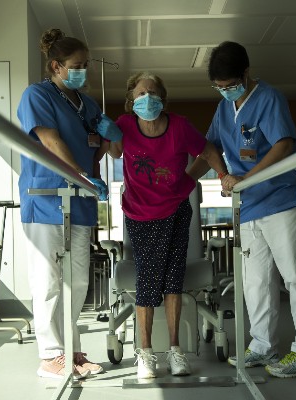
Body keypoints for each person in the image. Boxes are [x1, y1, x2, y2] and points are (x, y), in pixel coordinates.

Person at [189, 41, 296, 378]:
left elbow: (284, 143)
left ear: (246, 74)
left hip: (281, 199)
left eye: (230, 85)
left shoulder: (269, 97)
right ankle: (263, 345)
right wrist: (179, 185)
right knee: (255, 281)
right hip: (248, 205)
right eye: (218, 87)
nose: (224, 92)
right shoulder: (223, 111)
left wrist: (246, 178)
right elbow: (210, 149)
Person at [106, 72, 229, 379]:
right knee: (148, 281)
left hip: (175, 210)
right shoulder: (124, 125)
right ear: (132, 100)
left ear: (162, 98)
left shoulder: (179, 126)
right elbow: (115, 151)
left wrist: (224, 176)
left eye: (152, 93)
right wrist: (100, 133)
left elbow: (210, 151)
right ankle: (145, 352)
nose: (146, 99)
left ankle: (176, 350)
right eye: (140, 94)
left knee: (174, 278)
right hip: (140, 215)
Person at [17, 28, 120, 380]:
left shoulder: (88, 104)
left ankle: (72, 352)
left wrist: (109, 138)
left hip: (80, 202)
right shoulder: (37, 95)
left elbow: (104, 148)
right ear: (56, 66)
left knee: (76, 282)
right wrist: (79, 173)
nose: (83, 71)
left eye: (86, 65)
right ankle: (50, 355)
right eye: (77, 65)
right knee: (47, 280)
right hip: (45, 198)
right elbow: (49, 139)